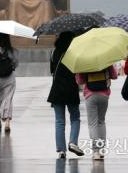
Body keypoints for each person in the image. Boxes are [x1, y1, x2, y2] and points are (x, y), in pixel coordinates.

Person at [47, 31, 84, 159]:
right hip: (71, 88)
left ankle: (61, 150)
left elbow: (52, 71)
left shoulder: (53, 52)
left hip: (57, 89)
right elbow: (78, 71)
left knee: (59, 121)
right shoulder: (74, 53)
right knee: (75, 117)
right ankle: (73, 142)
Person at [76, 66, 118, 160]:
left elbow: (80, 81)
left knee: (92, 124)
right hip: (104, 95)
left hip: (90, 95)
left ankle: (96, 152)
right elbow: (115, 75)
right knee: (101, 121)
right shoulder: (106, 61)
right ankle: (102, 149)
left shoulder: (85, 62)